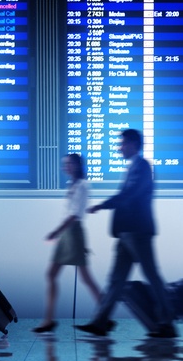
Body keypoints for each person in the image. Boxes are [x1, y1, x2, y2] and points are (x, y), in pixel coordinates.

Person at [75, 129, 177, 338]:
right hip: (127, 232)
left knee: (151, 275)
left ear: (133, 144)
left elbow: (129, 194)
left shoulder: (142, 166)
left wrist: (103, 205)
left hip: (137, 231)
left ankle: (167, 323)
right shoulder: (135, 167)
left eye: (122, 144)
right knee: (116, 280)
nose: (119, 148)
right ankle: (100, 322)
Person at [33, 154, 102, 333]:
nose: (66, 167)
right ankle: (48, 320)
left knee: (85, 277)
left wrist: (55, 232)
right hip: (68, 233)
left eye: (69, 164)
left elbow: (74, 215)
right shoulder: (73, 185)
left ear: (78, 165)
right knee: (53, 275)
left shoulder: (82, 185)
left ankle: (104, 314)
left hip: (72, 232)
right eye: (65, 164)